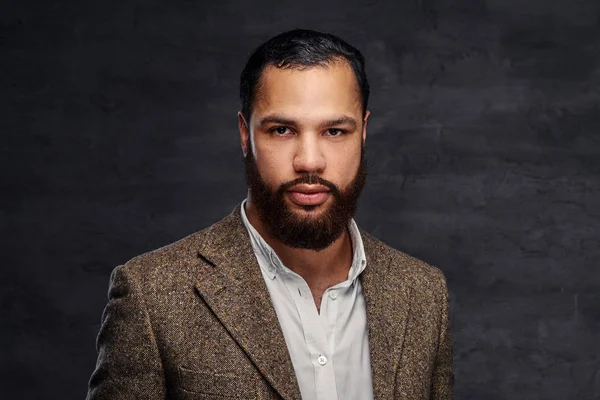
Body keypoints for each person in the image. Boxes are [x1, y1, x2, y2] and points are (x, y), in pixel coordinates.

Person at [86, 29, 454, 400]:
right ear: (246, 135)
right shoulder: (152, 294)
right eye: (281, 130)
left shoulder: (423, 293)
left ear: (363, 133)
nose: (309, 160)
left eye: (334, 131)